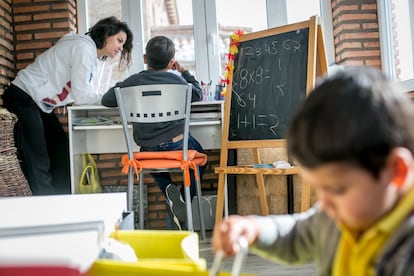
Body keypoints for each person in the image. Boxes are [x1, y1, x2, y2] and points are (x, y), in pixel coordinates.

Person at [212, 66, 414, 275]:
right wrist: (253, 229)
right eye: (318, 189)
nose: (323, 203)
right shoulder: (335, 217)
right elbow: (296, 233)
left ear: (396, 171)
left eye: (336, 189)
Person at [2, 16, 133, 195]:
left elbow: (84, 92)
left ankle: (59, 200)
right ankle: (46, 207)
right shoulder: (83, 49)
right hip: (22, 96)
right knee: (38, 156)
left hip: (39, 104)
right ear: (106, 34)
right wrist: (109, 98)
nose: (120, 48)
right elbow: (82, 96)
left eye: (123, 45)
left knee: (61, 152)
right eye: (119, 41)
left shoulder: (90, 54)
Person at [102, 35, 206, 230]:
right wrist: (183, 72)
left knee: (153, 160)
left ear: (145, 59)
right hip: (177, 144)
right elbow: (199, 94)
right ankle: (183, 197)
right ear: (171, 62)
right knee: (198, 154)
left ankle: (169, 189)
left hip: (147, 148)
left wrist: (123, 89)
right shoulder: (179, 83)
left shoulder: (133, 82)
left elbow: (107, 100)